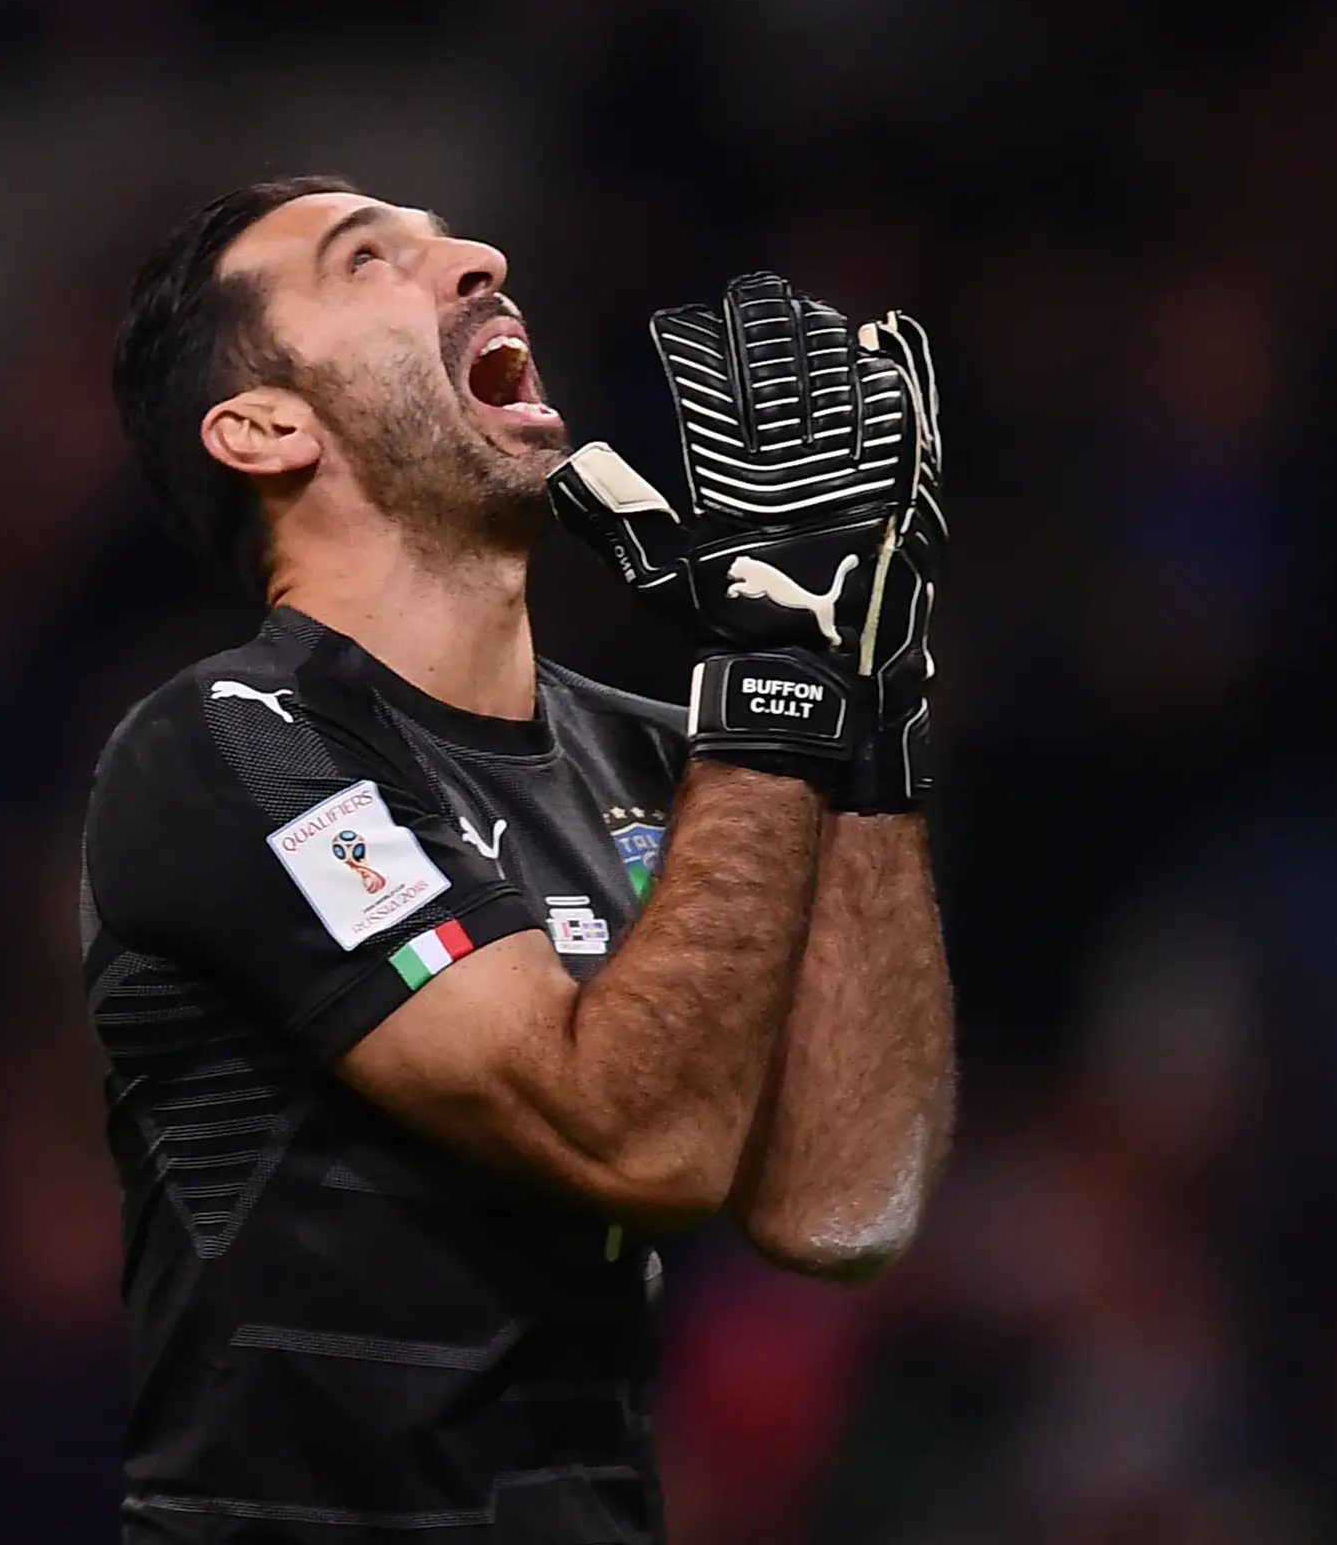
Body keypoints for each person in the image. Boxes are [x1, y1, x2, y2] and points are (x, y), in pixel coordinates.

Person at [82, 175, 955, 1543]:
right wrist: (775, 681)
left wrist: (867, 711)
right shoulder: (230, 746)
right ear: (263, 427)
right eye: (368, 261)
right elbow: (629, 1134)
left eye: (455, 241)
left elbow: (843, 1208)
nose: (482, 257)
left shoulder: (680, 762)